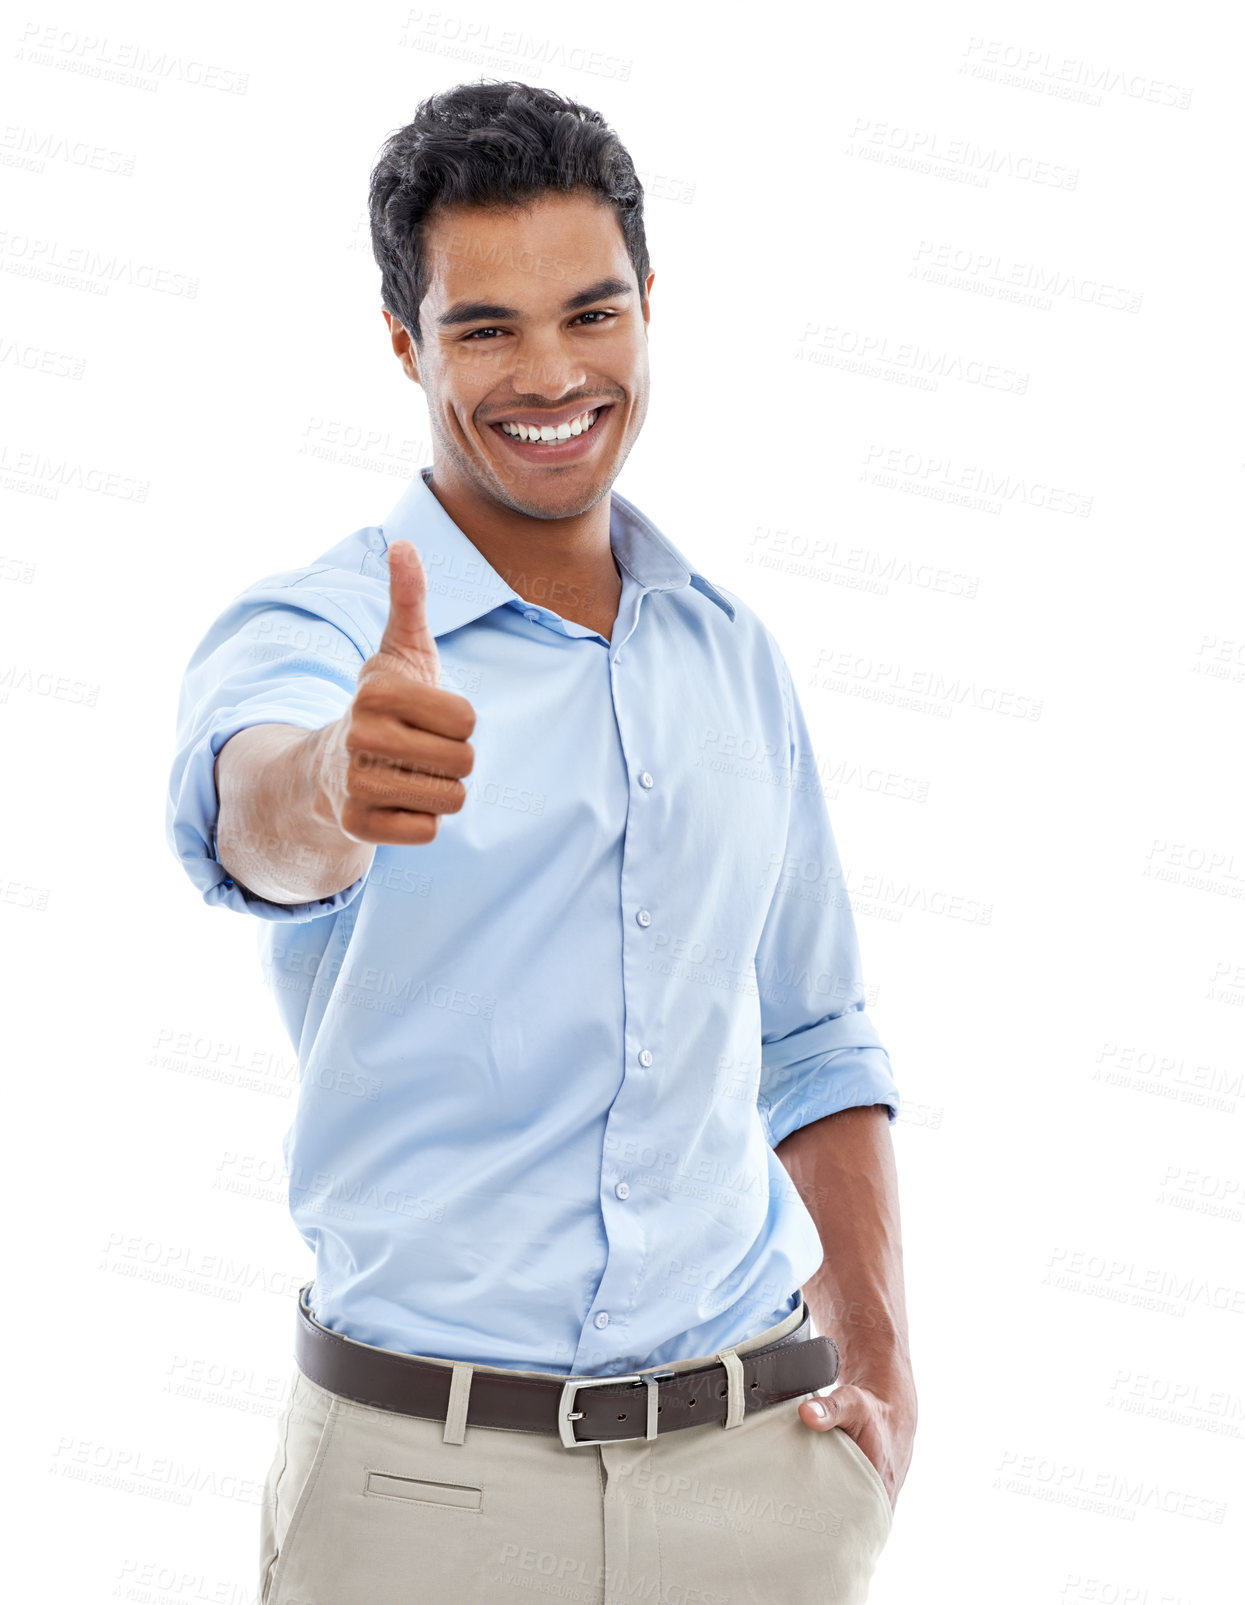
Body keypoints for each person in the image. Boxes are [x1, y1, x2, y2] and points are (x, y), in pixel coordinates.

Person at [165, 78, 916, 1605]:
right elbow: (253, 817)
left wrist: (884, 1371)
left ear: (649, 308)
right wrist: (333, 780)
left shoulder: (730, 652)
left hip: (755, 1480)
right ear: (405, 346)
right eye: (484, 328)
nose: (553, 373)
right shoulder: (318, 630)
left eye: (592, 312)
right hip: (419, 1499)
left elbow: (818, 1036)